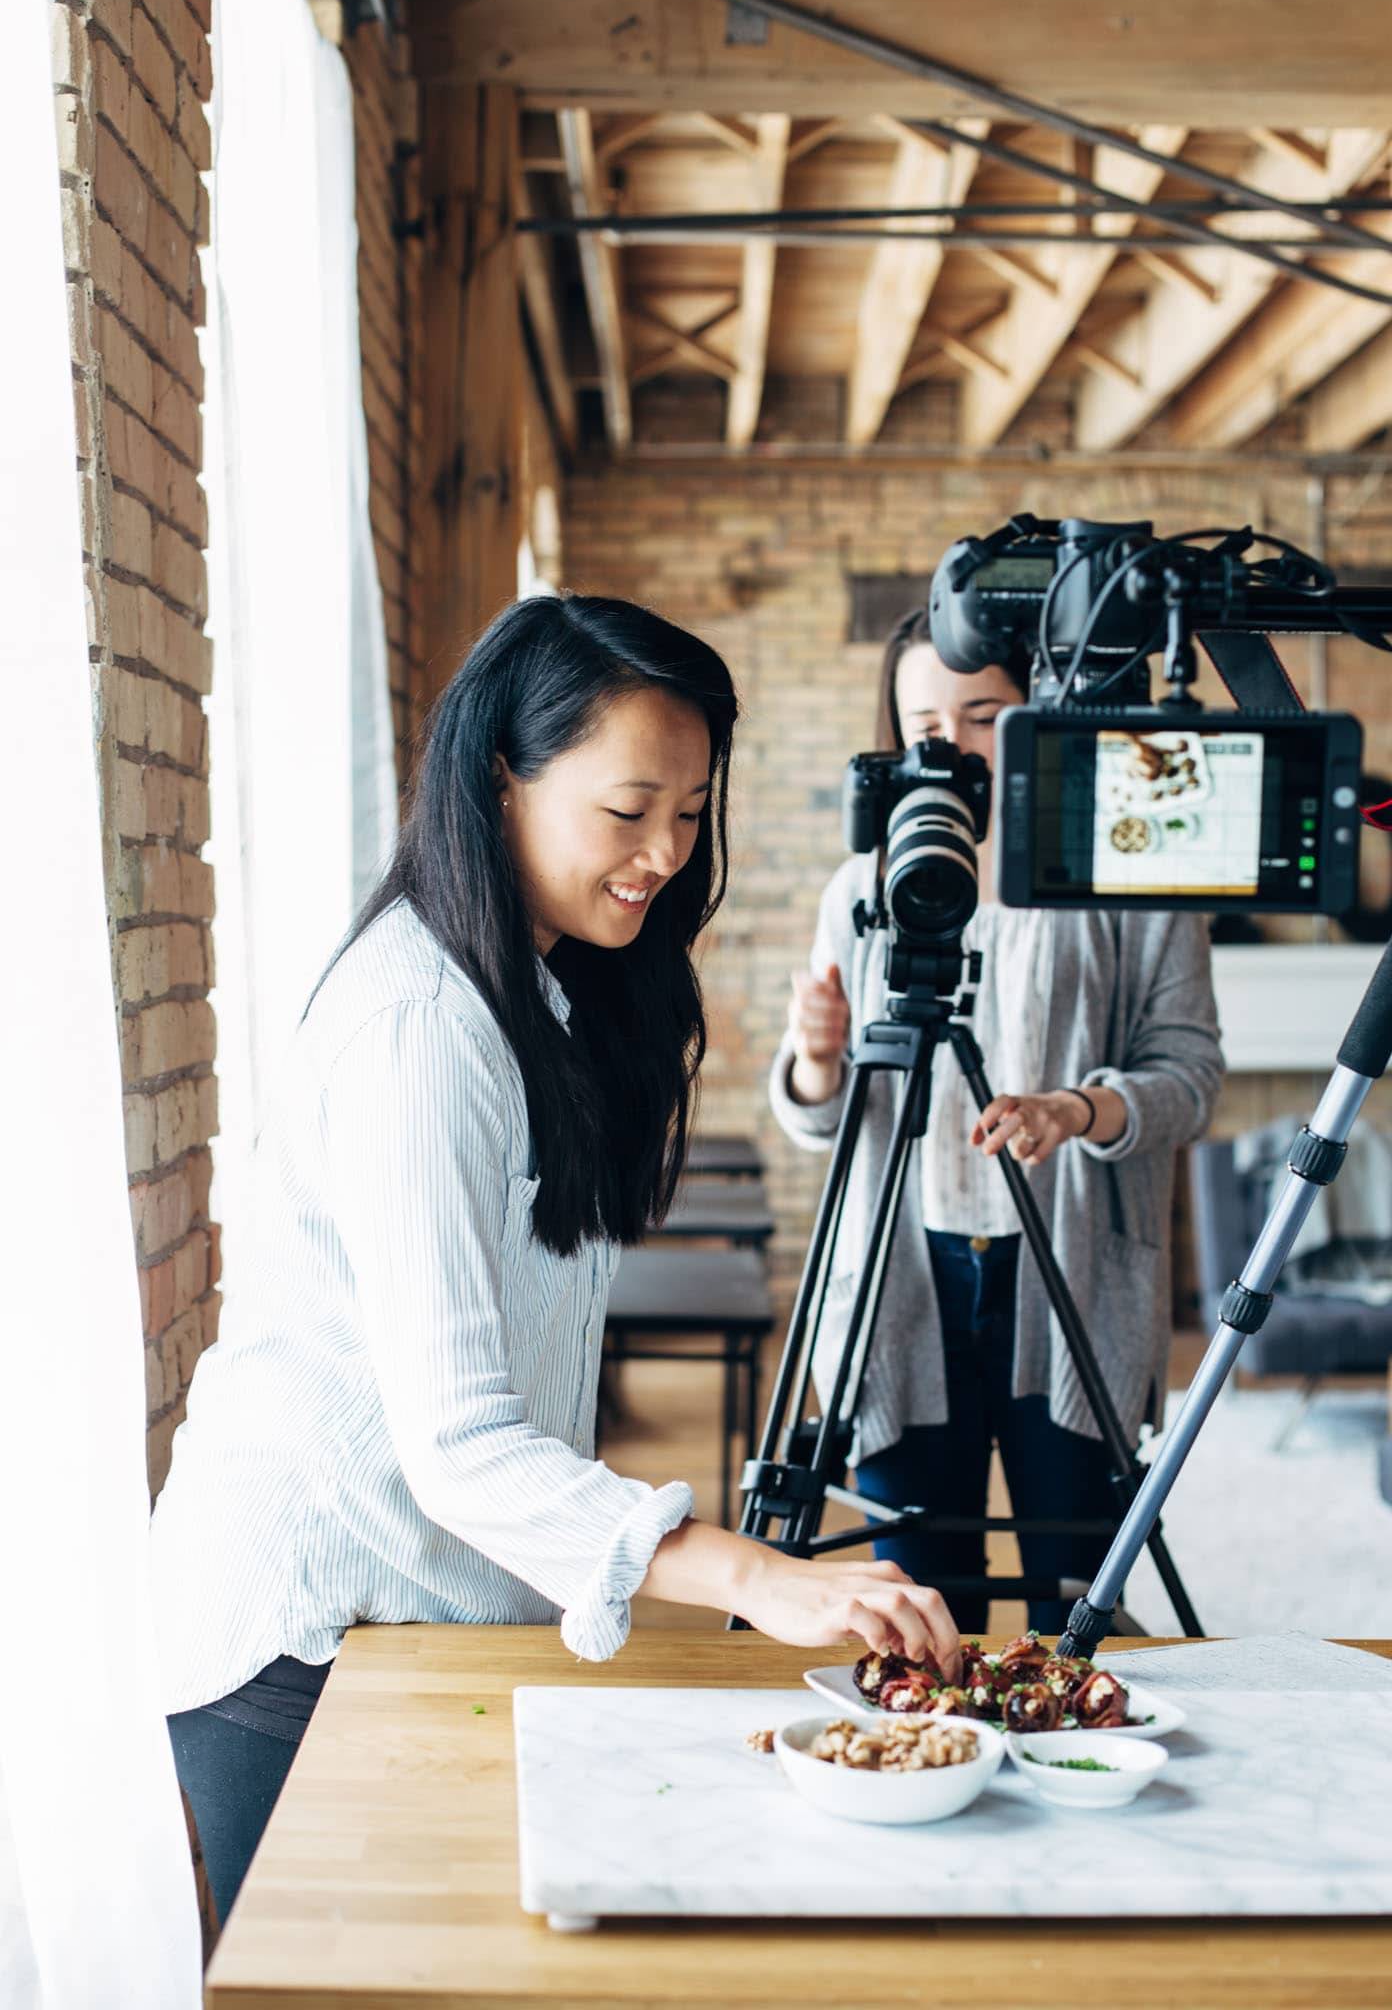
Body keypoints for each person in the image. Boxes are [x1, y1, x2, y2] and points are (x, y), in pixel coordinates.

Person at [151, 595, 959, 1926]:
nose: (661, 853)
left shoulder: (539, 986)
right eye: (628, 808)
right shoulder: (417, 1023)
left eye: (691, 814)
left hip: (424, 1598)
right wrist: (756, 1573)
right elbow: (462, 1443)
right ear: (501, 778)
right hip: (305, 1620)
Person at [769, 604, 1224, 1638]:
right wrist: (815, 1056)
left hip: (1073, 1271)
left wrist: (1077, 1109)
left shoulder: (1131, 873)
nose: (951, 747)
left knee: (1080, 1596)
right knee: (919, 1611)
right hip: (903, 1276)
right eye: (924, 722)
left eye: (983, 716)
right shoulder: (863, 887)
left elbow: (1192, 1074)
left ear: (1041, 719)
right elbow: (821, 1119)